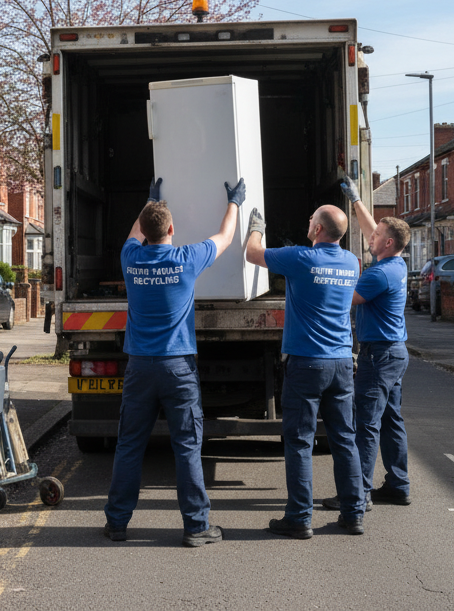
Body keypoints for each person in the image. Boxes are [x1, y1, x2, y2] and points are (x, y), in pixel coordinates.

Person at [103, 176, 243, 548]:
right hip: (178, 368)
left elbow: (135, 231)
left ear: (146, 231)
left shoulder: (129, 257)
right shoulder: (186, 259)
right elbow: (226, 237)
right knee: (186, 446)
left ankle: (117, 523)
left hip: (139, 367)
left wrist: (149, 202)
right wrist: (235, 202)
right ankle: (196, 527)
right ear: (172, 230)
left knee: (130, 445)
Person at [244, 205, 365, 537]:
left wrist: (256, 226)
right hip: (341, 363)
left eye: (311, 220)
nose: (308, 223)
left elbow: (253, 254)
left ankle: (299, 518)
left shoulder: (302, 259)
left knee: (299, 442)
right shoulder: (351, 263)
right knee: (344, 439)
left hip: (307, 362)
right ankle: (354, 514)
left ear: (317, 230)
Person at [320, 178, 412, 513]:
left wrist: (319, 278)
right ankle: (398, 485)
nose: (368, 237)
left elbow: (346, 298)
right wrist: (357, 201)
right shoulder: (396, 262)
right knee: (391, 420)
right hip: (396, 352)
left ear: (386, 243)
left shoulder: (377, 275)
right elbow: (374, 228)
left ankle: (357, 493)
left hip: (380, 356)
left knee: (366, 425)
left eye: (374, 237)